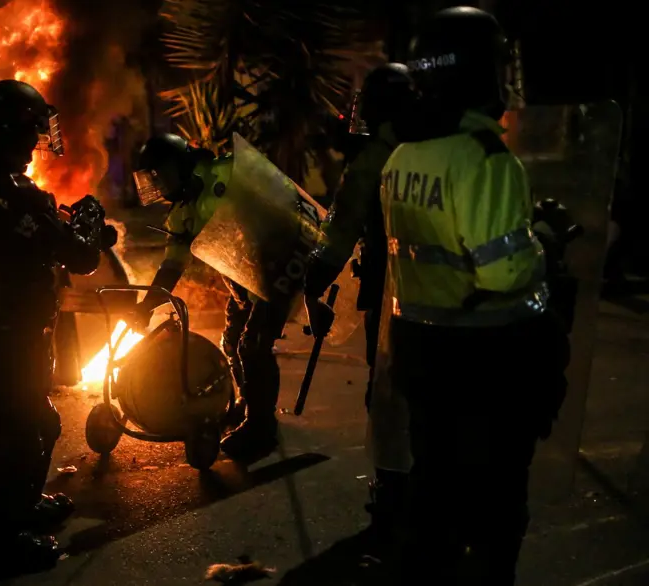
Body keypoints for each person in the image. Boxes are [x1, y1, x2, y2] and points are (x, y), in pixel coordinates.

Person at [382, 7, 570, 584]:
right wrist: (545, 238)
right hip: (487, 362)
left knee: (432, 494)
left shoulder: (403, 156)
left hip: (418, 350)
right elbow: (505, 273)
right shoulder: (487, 160)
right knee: (494, 508)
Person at [0, 79, 116, 572]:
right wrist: (90, 224)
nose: (35, 146)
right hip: (8, 337)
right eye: (31, 133)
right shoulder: (12, 196)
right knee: (22, 430)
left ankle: (23, 505)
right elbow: (79, 257)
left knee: (38, 422)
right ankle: (4, 537)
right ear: (12, 133)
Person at [302, 63, 415, 566]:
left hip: (395, 297)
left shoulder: (375, 158)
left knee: (390, 397)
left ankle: (395, 502)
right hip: (445, 299)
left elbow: (343, 224)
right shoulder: (434, 148)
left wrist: (313, 280)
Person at [131, 134, 289, 464]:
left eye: (160, 175)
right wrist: (146, 305)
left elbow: (278, 198)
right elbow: (173, 262)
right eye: (152, 179)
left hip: (277, 270)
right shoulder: (182, 213)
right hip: (242, 283)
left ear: (179, 164)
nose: (158, 185)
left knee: (253, 345)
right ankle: (249, 404)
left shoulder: (225, 173)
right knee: (232, 342)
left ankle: (262, 429)